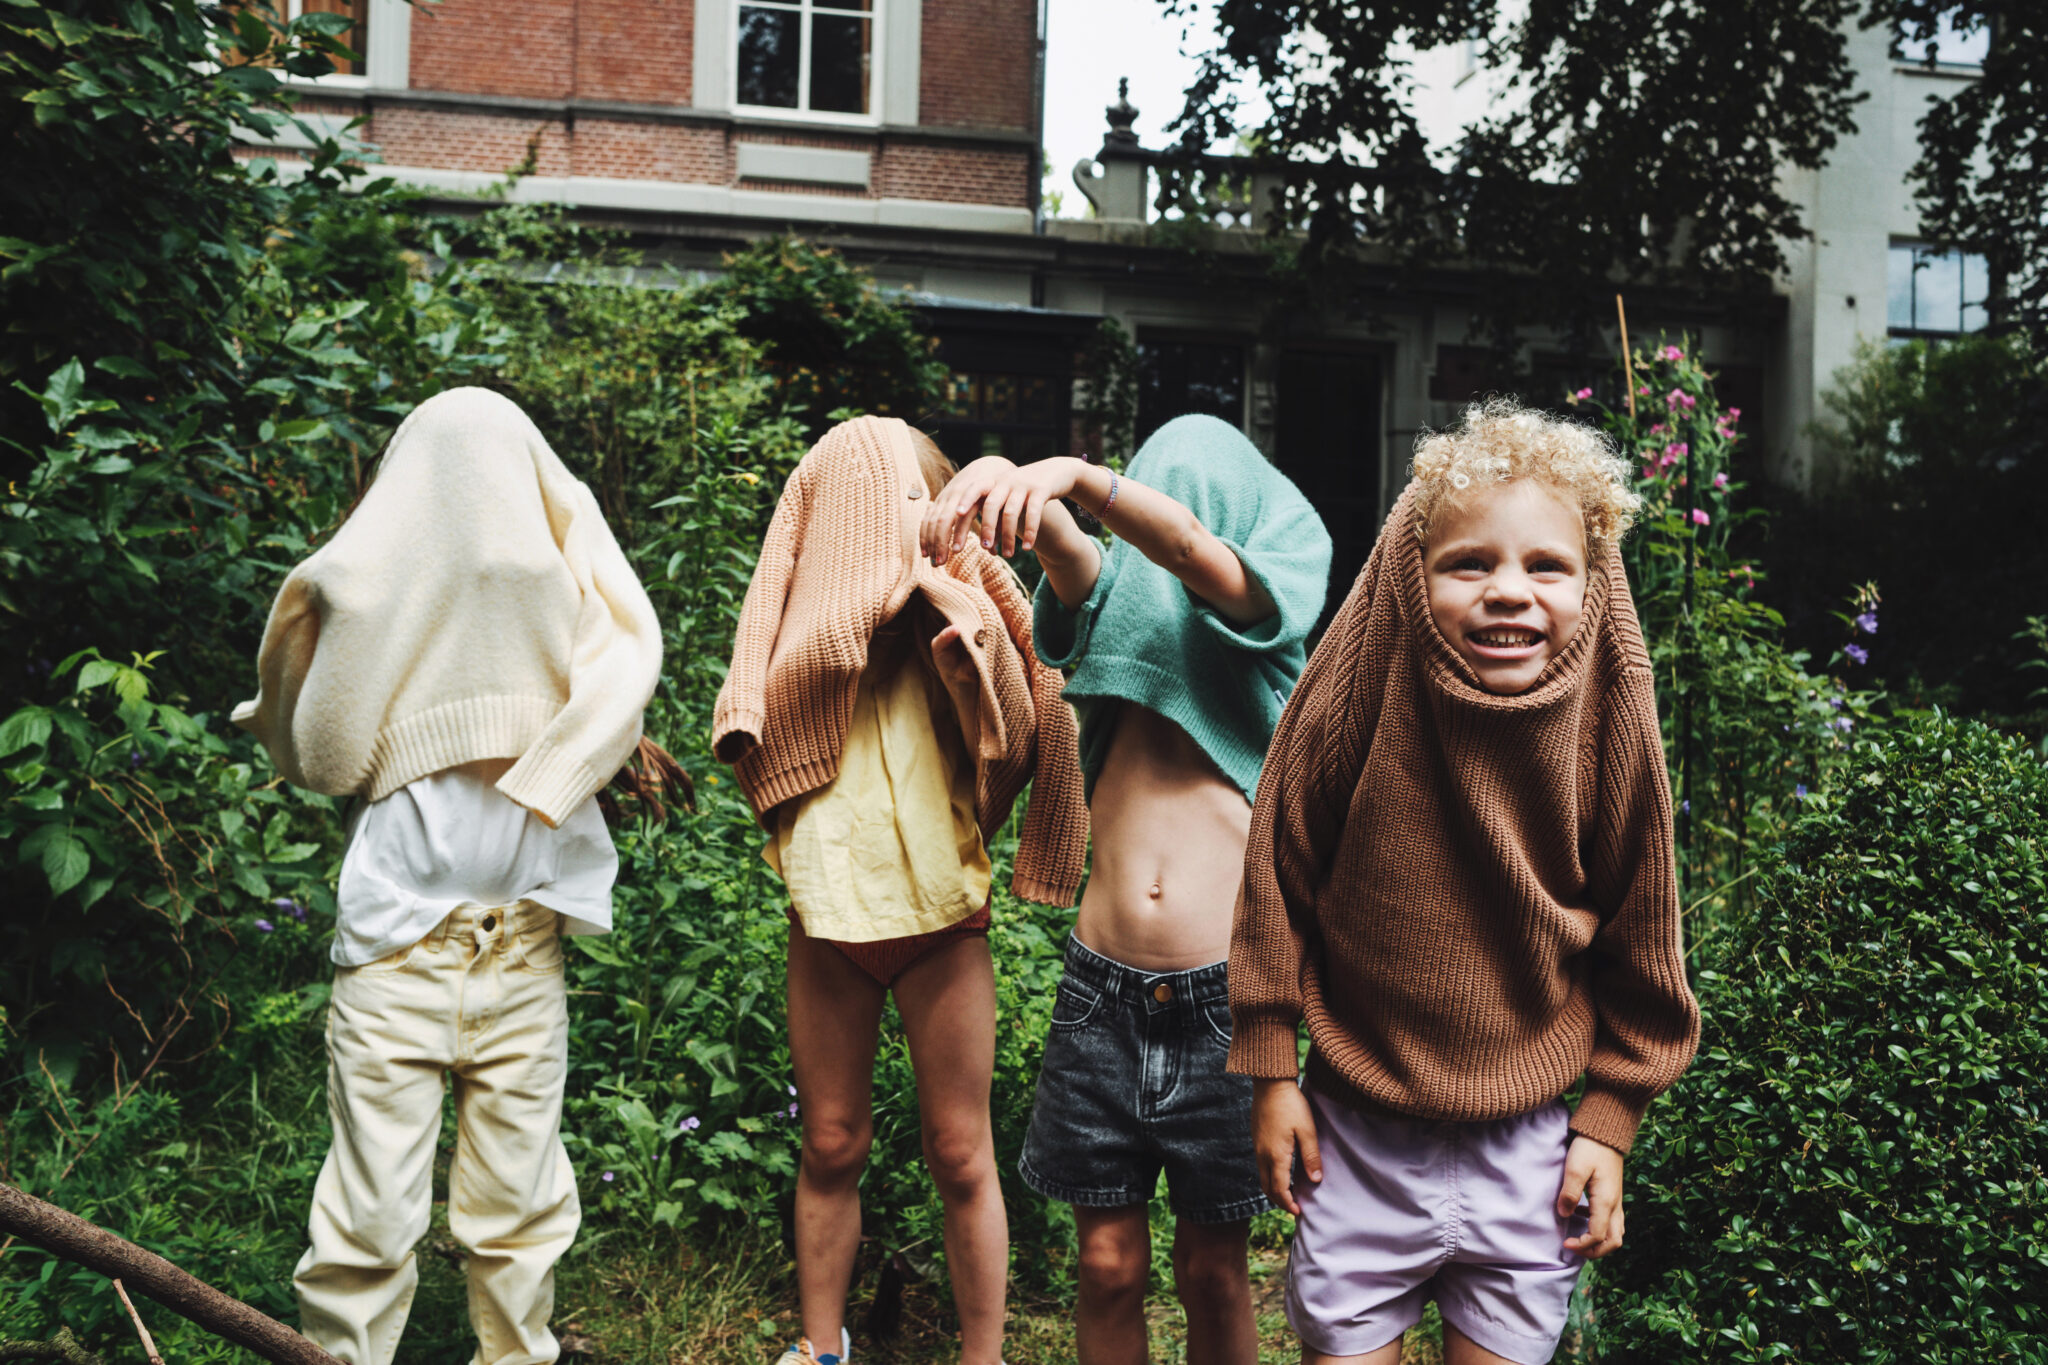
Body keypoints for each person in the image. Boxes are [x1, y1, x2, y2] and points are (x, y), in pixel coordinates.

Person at [1229, 399, 1703, 1365]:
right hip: (1354, 1133)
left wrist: (1609, 1122)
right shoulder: (1365, 687)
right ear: (1414, 576)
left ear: (1594, 586)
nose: (1509, 592)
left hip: (1527, 1145)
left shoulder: (1608, 725)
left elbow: (1641, 926)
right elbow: (1279, 858)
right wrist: (1273, 1066)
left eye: (1546, 567)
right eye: (1469, 563)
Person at [233, 386, 680, 1365]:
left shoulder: (565, 583)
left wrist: (564, 760)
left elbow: (627, 648)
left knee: (521, 1208)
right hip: (398, 949)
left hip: (520, 948)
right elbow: (323, 752)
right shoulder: (389, 593)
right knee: (368, 1216)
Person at [921, 415, 1332, 1365]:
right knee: (1104, 1263)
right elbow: (1073, 556)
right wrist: (1012, 488)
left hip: (1225, 1005)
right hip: (1099, 994)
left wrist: (1077, 472)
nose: (1162, 529)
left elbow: (1191, 553)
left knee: (1213, 1269)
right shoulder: (1115, 610)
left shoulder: (1264, 633)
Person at [713, 416, 1088, 1365]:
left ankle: (983, 1354)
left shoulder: (959, 611)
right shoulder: (813, 634)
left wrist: (959, 646)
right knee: (831, 1142)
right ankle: (820, 1344)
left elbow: (1012, 726)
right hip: (827, 916)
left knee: (961, 1151)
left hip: (943, 919)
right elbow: (762, 681)